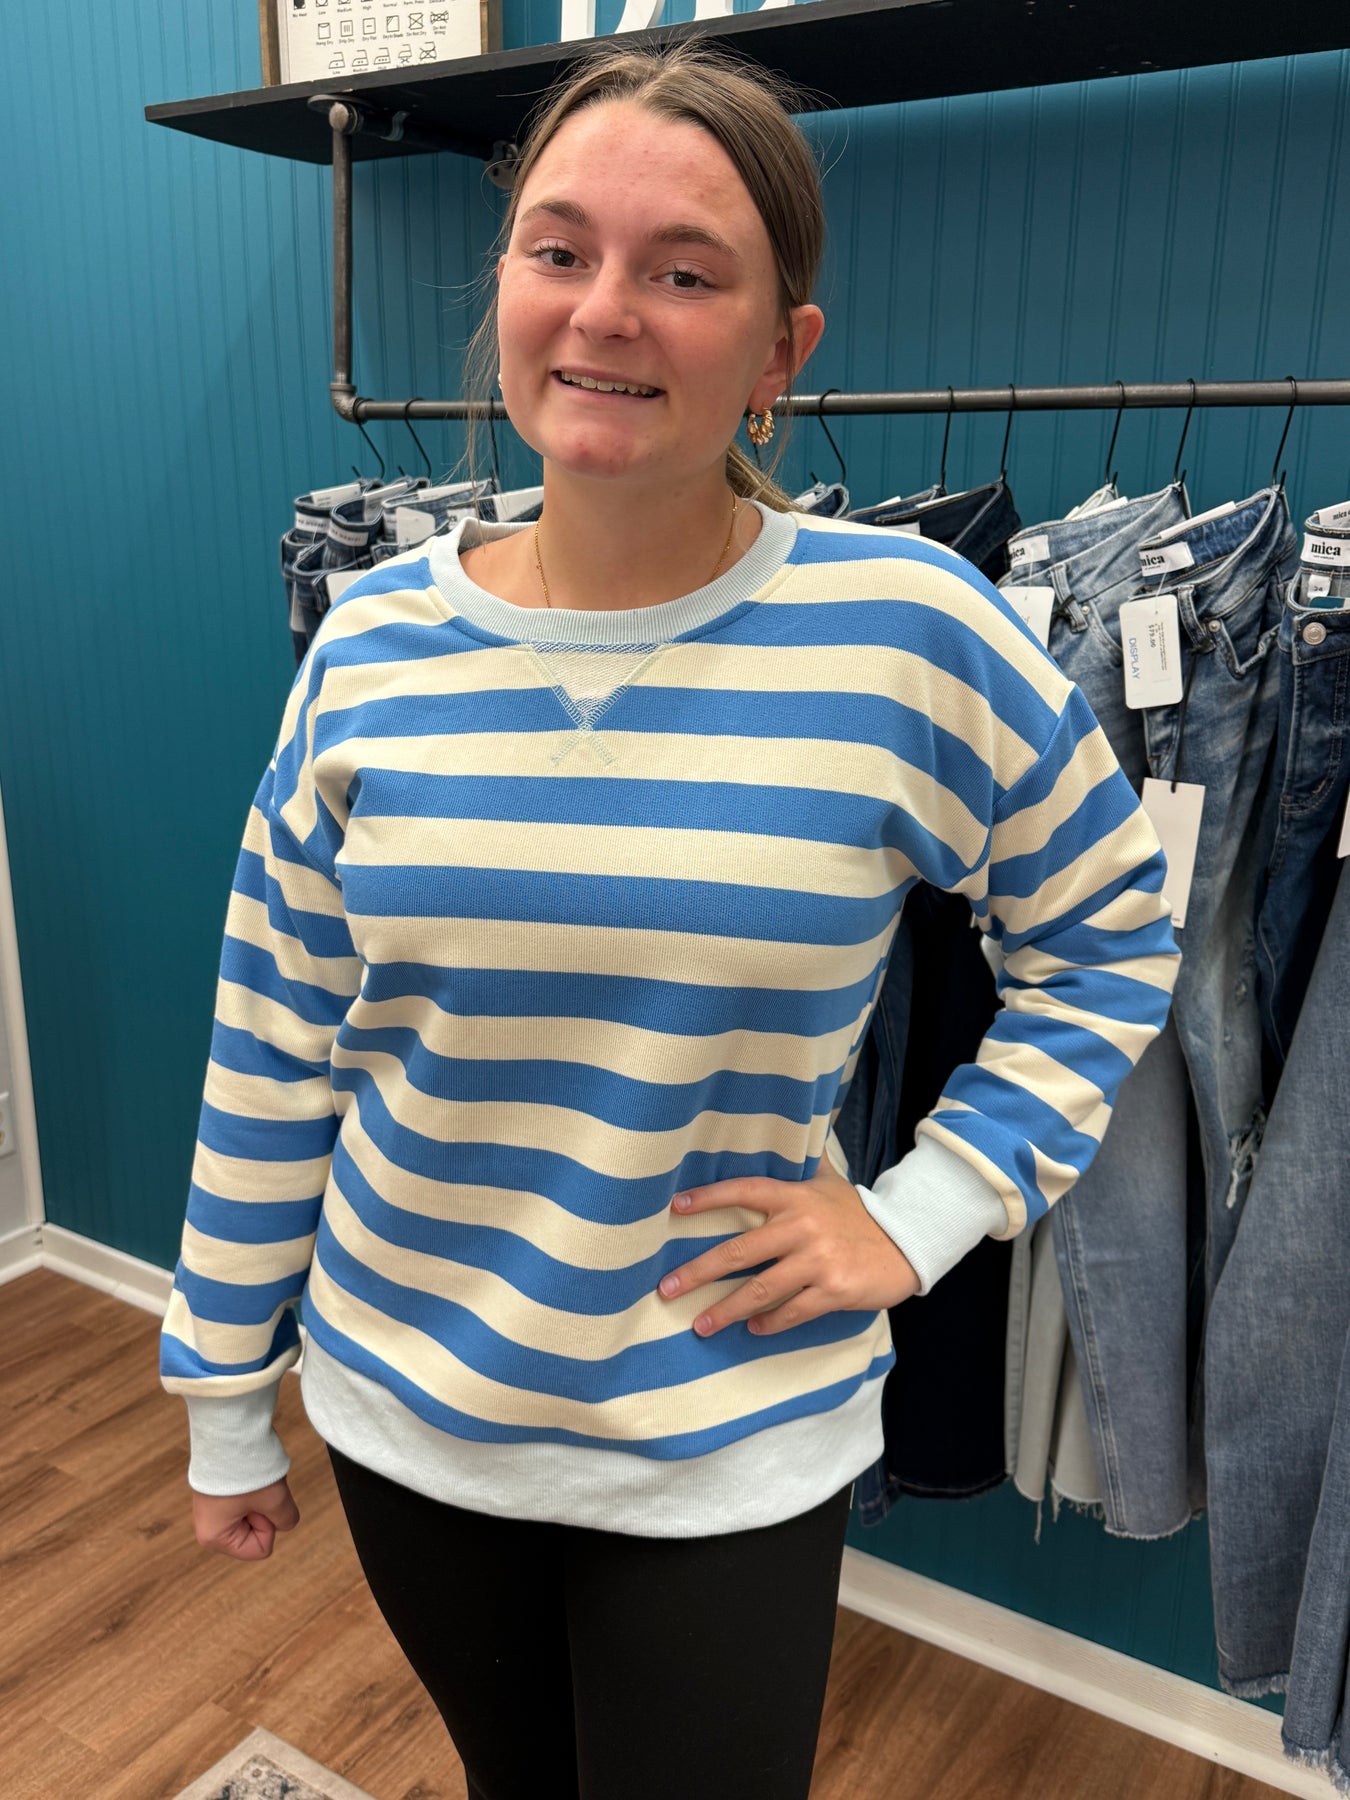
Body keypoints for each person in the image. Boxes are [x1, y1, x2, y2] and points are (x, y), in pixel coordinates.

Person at [161, 37, 1181, 1800]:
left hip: (724, 1434)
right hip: (411, 1415)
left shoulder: (906, 630)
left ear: (782, 351)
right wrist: (224, 1391)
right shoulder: (372, 644)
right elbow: (274, 1038)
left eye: (684, 272)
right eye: (558, 250)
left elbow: (1111, 938)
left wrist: (924, 1212)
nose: (604, 310)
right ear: (502, 287)